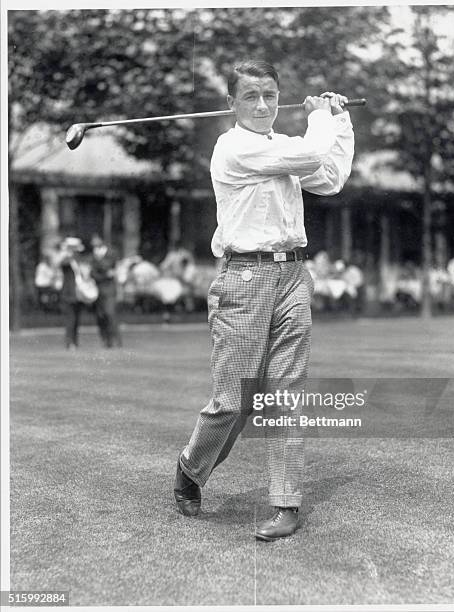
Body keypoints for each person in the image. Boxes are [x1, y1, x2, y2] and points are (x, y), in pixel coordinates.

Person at [173, 60, 354, 541]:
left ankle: (285, 504)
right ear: (231, 103)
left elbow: (330, 176)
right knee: (234, 401)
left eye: (270, 96)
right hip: (244, 278)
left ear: (279, 97)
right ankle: (192, 467)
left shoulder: (288, 149)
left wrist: (339, 120)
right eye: (250, 96)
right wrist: (320, 120)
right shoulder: (231, 147)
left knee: (286, 396)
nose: (262, 106)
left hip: (294, 274)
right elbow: (309, 157)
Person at [90, 235, 122, 348]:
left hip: (109, 289)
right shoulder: (94, 255)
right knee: (100, 316)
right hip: (97, 290)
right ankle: (105, 340)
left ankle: (116, 340)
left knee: (110, 314)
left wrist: (100, 266)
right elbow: (93, 273)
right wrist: (105, 274)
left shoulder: (111, 253)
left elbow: (109, 268)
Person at [53, 237, 85, 349]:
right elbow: (59, 263)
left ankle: (75, 342)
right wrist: (66, 253)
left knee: (76, 319)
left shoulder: (78, 260)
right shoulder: (66, 259)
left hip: (78, 293)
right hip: (68, 293)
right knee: (70, 319)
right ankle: (69, 342)